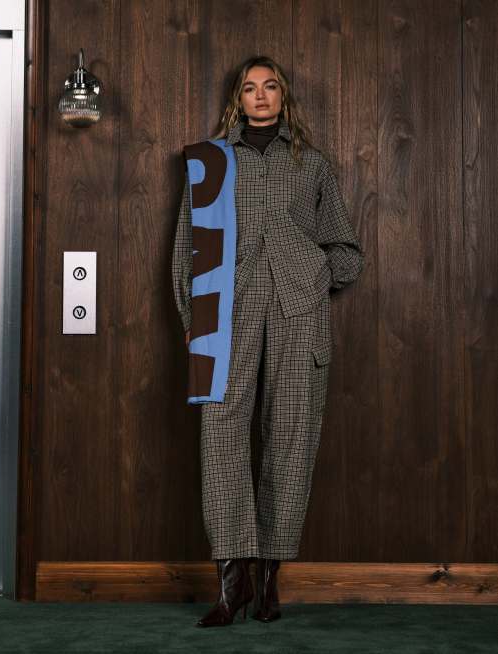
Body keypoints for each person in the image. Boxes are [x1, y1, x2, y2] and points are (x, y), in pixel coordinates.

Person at [172, 55, 365, 627]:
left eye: (270, 86)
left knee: (290, 434)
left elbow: (347, 251)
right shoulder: (210, 161)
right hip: (225, 309)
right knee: (221, 434)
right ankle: (231, 584)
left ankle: (270, 581)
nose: (260, 95)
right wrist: (190, 316)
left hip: (297, 310)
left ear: (283, 96)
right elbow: (186, 246)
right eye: (250, 88)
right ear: (238, 98)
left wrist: (313, 272)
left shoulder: (313, 166)